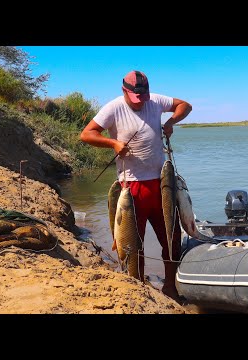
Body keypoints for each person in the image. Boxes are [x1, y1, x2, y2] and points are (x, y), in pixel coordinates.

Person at [80, 70, 192, 302]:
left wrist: (170, 121)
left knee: (171, 240)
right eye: (135, 98)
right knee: (133, 243)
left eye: (144, 96)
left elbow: (185, 105)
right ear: (124, 91)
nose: (141, 102)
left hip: (162, 186)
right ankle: (138, 286)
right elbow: (87, 134)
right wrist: (112, 143)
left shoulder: (156, 101)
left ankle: (170, 287)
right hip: (131, 189)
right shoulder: (113, 108)